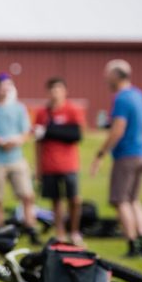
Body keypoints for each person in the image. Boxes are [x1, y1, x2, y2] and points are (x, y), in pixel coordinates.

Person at [90, 59, 142, 258]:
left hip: (126, 154)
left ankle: (132, 245)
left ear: (117, 76)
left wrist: (100, 154)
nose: (105, 78)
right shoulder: (138, 95)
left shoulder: (121, 98)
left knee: (120, 200)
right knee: (133, 200)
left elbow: (118, 130)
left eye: (108, 74)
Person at [0, 73, 39, 244]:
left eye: (9, 86)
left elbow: (26, 132)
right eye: (3, 86)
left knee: (27, 195)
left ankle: (30, 227)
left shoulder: (19, 108)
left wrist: (17, 140)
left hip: (16, 158)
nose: (6, 89)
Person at [33, 77, 85, 245]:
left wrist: (50, 131)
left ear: (65, 91)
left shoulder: (72, 110)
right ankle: (60, 232)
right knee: (56, 201)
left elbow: (75, 135)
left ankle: (75, 231)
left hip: (69, 164)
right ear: (48, 92)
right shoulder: (42, 113)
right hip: (49, 164)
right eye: (52, 90)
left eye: (59, 89)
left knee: (74, 199)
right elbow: (38, 141)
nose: (55, 93)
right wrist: (38, 168)